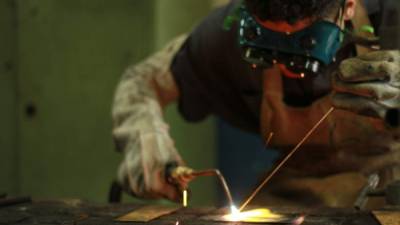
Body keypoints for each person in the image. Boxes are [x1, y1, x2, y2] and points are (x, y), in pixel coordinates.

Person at [112, 0, 400, 207]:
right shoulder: (225, 34)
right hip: (298, 190)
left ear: (347, 6)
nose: (289, 67)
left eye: (307, 44)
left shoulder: (391, 16)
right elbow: (142, 82)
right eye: (267, 48)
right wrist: (145, 137)